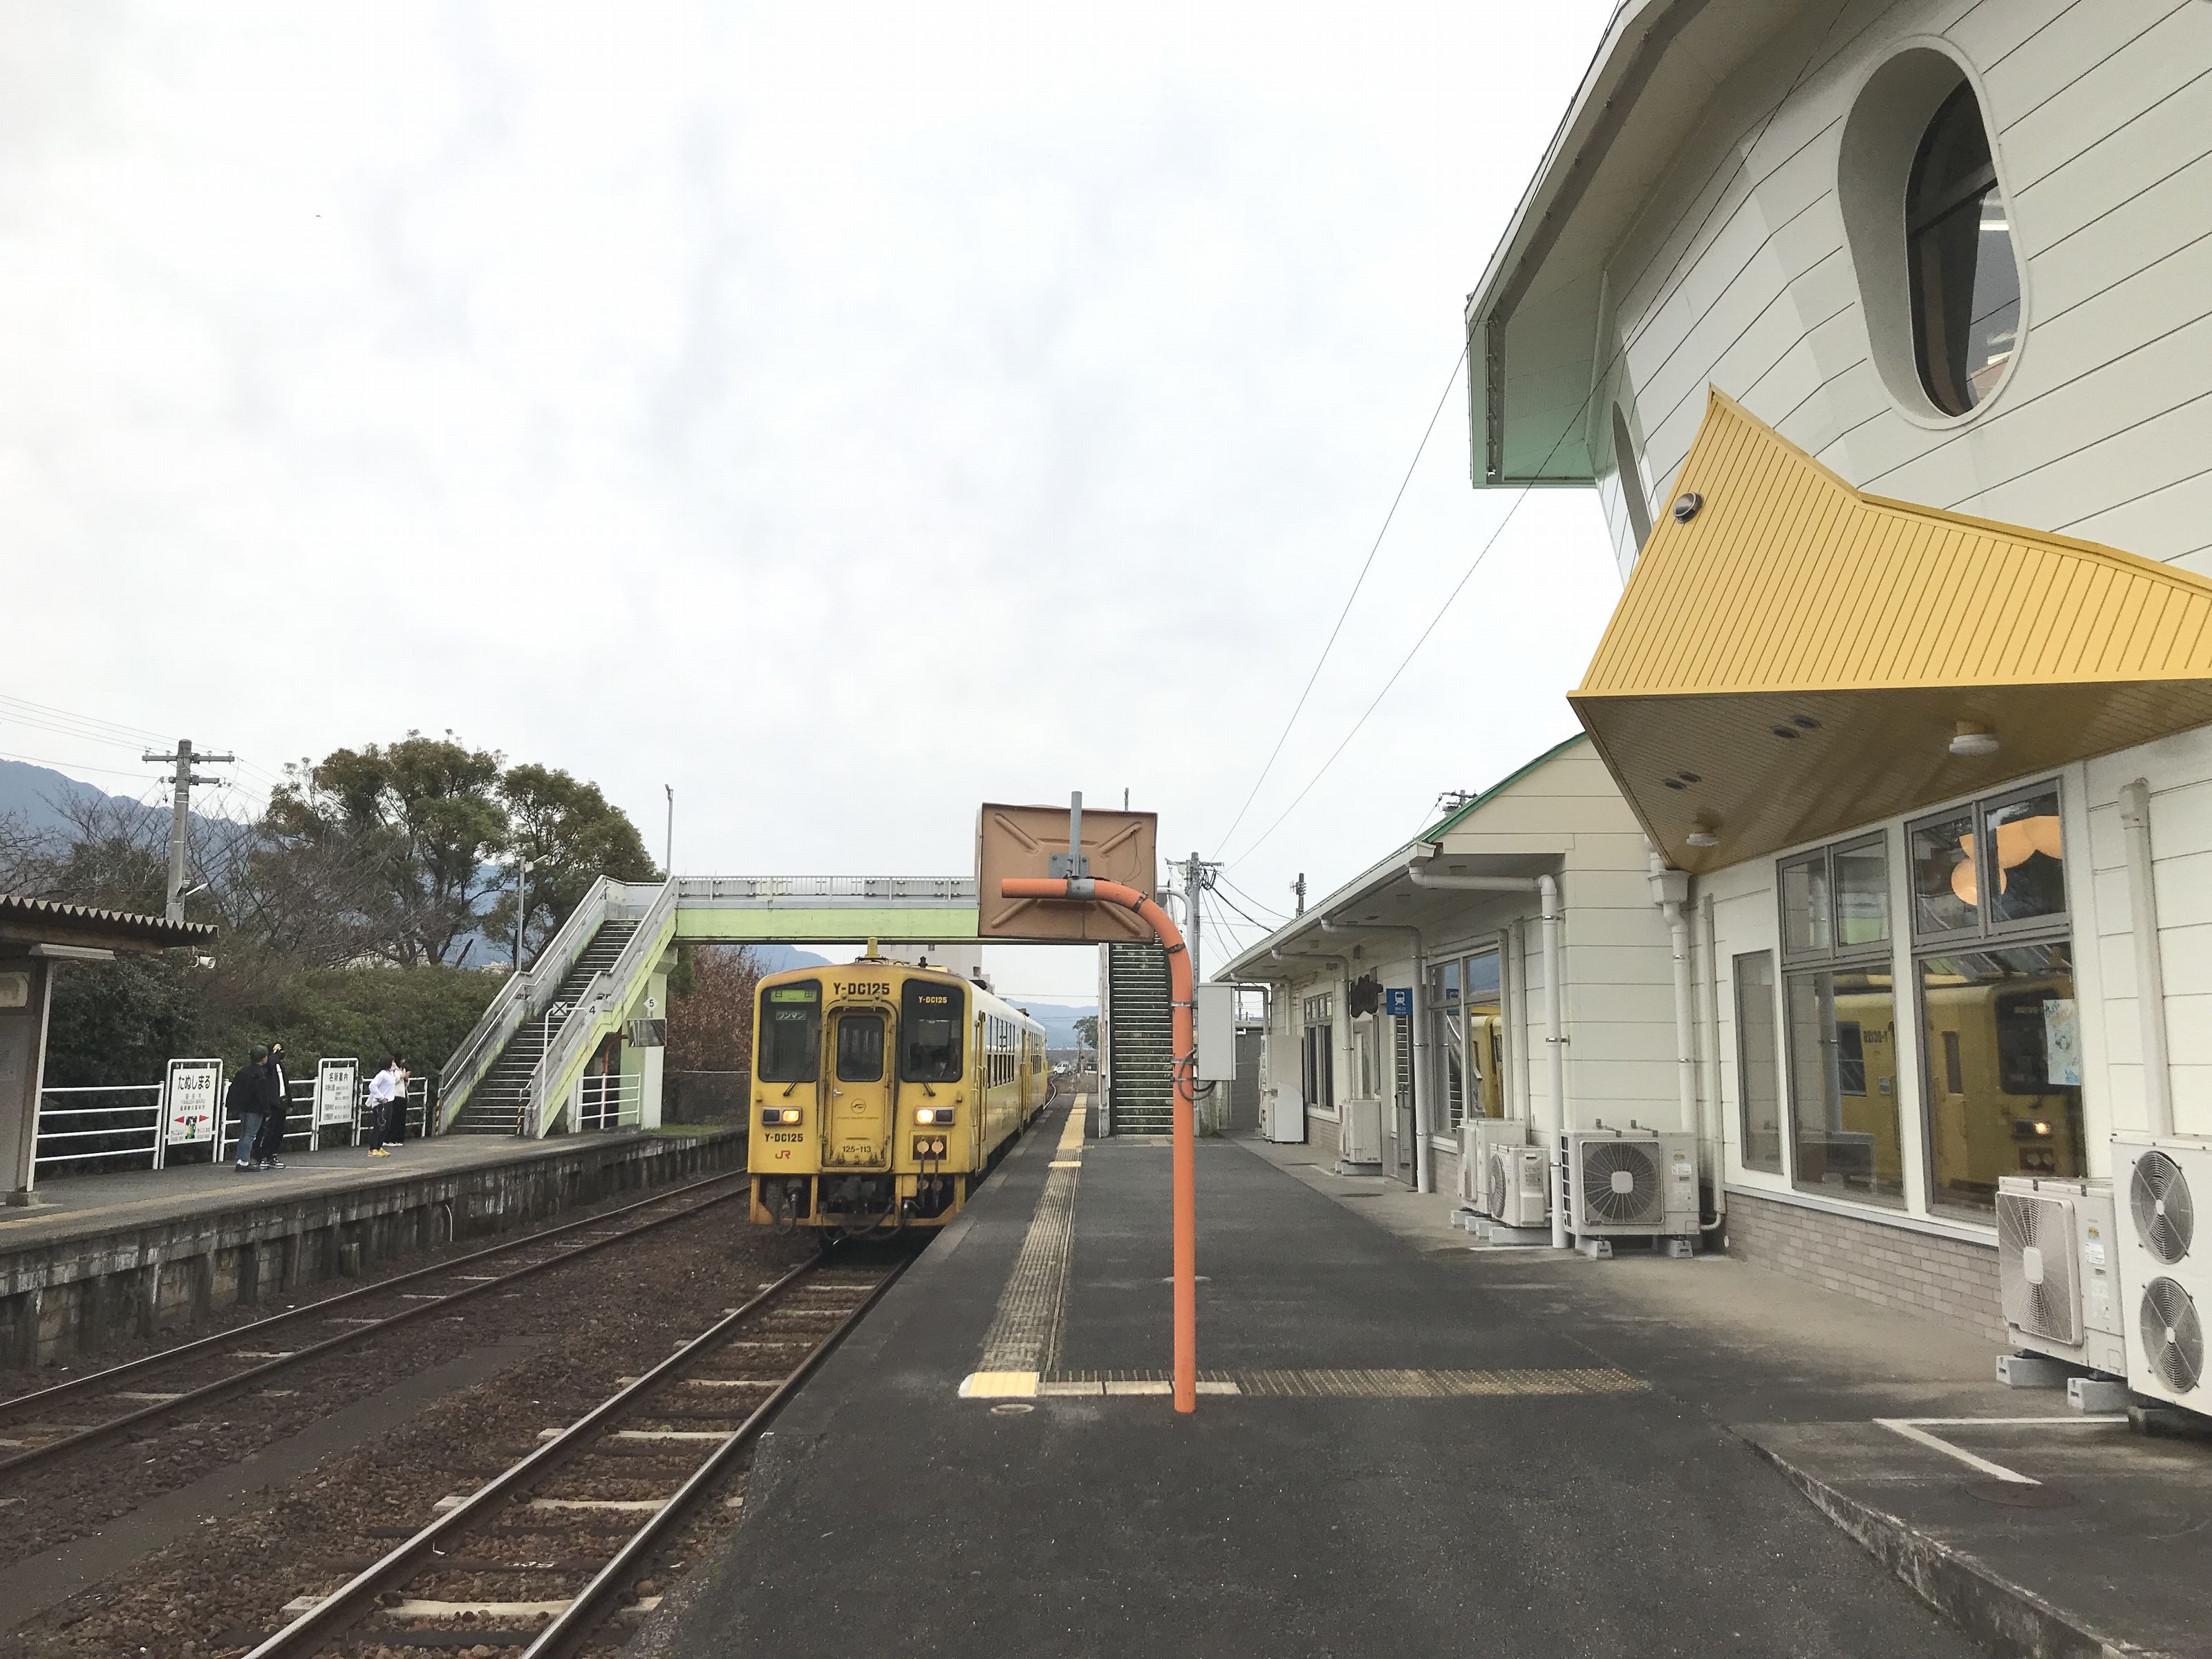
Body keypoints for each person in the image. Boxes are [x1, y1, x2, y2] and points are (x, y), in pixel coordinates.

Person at [231, 1045, 273, 1173]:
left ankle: (240, 1159)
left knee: (244, 1134)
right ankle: (244, 1162)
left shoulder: (243, 1071)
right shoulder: (260, 1074)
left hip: (243, 1108)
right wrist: (267, 1111)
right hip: (255, 1109)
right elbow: (262, 1095)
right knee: (250, 1135)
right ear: (263, 1058)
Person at [254, 1040, 291, 1170]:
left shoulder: (280, 1065)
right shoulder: (267, 1066)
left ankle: (273, 1156)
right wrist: (274, 1053)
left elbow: (285, 1083)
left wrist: (289, 1100)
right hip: (271, 1102)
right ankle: (262, 1157)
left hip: (281, 1101)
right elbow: (270, 1063)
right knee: (267, 1131)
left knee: (278, 1131)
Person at [366, 1057, 398, 1156]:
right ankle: (372, 1149)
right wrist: (380, 1097)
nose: (394, 1063)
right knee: (379, 1126)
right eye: (392, 1062)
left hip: (389, 1102)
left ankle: (379, 1147)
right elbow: (372, 1086)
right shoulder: (382, 1074)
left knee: (386, 1126)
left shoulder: (391, 1074)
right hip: (380, 1104)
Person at [388, 1056, 411, 1147]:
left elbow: (406, 1084)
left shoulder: (402, 1069)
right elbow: (392, 1081)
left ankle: (399, 1138)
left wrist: (406, 1079)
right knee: (394, 1119)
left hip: (402, 1095)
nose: (403, 1062)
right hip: (394, 1095)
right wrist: (401, 1076)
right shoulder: (393, 1070)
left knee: (401, 1119)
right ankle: (390, 1139)